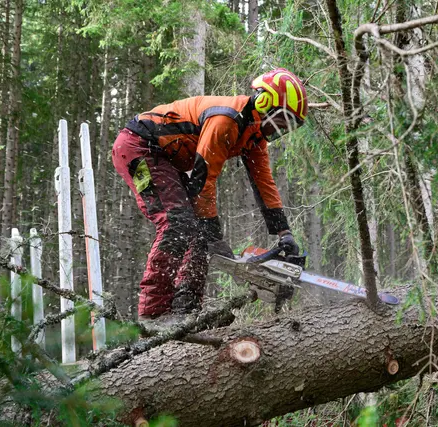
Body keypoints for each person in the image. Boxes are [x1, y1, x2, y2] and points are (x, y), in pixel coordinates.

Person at [111, 68, 305, 321]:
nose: (282, 131)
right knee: (176, 223)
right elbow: (204, 178)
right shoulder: (227, 119)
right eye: (282, 122)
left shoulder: (255, 137)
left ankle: (186, 307)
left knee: (198, 232)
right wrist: (214, 233)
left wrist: (284, 233)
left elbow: (263, 182)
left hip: (165, 159)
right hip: (138, 149)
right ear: (265, 103)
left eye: (289, 127)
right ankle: (154, 314)